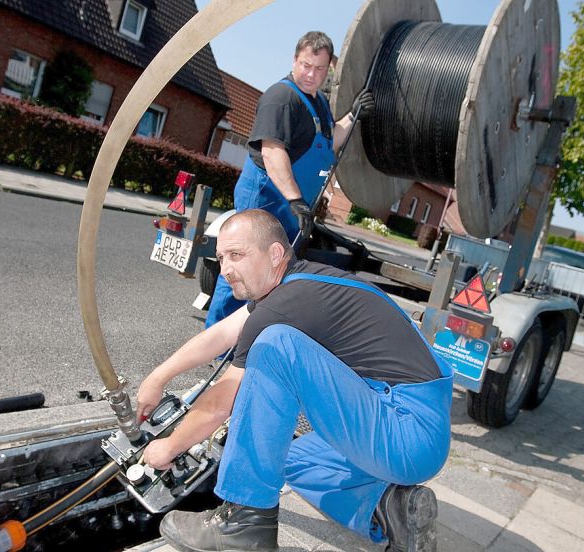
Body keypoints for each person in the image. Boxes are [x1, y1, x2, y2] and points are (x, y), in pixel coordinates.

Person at [137, 209, 452, 552]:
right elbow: (222, 333)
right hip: (407, 427)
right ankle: (387, 507)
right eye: (221, 257)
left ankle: (245, 522)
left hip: (406, 431)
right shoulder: (297, 286)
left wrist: (168, 447)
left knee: (275, 345)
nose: (225, 269)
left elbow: (221, 402)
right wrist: (158, 377)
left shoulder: (284, 305)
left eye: (237, 255)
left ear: (274, 254)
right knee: (290, 459)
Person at [204, 31, 375, 329]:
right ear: (295, 59)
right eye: (306, 65)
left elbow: (331, 139)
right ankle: (218, 343)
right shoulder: (281, 98)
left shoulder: (319, 103)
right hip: (266, 198)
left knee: (270, 273)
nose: (311, 74)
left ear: (329, 69)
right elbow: (272, 152)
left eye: (320, 69)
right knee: (243, 268)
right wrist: (296, 200)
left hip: (290, 205)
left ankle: (247, 336)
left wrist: (353, 114)